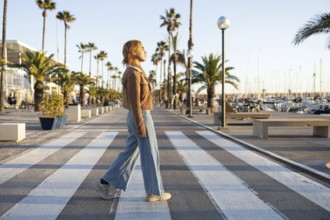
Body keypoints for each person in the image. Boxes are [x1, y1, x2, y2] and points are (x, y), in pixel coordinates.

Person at [93, 40, 171, 202]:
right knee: (150, 154)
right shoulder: (134, 74)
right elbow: (136, 103)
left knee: (130, 153)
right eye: (142, 48)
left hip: (137, 115)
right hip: (140, 115)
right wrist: (141, 124)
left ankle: (106, 182)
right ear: (133, 52)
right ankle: (155, 192)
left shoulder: (135, 71)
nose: (145, 51)